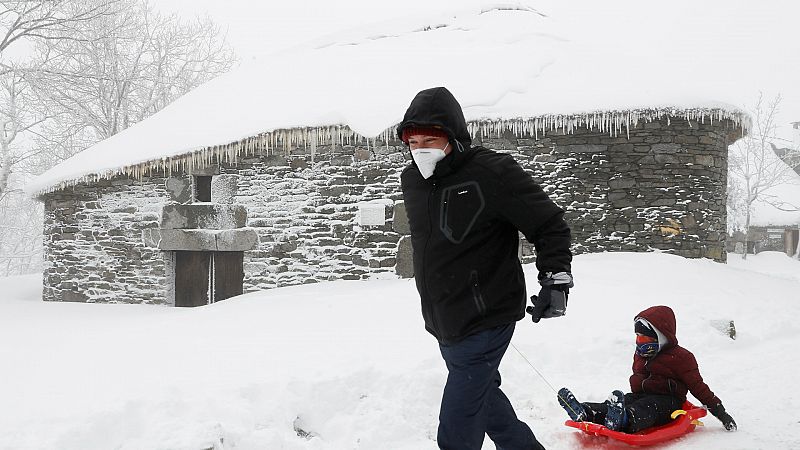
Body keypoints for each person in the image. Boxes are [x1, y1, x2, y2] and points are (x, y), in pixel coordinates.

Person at [398, 86, 573, 450]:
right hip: (444, 319)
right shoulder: (413, 180)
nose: (421, 149)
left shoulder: (492, 172)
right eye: (413, 142)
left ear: (454, 137)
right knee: (484, 399)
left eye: (430, 140)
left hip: (487, 316)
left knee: (458, 425)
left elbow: (548, 223)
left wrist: (555, 281)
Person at [558, 305, 737, 433]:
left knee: (647, 407)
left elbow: (699, 388)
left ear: (662, 337)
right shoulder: (641, 355)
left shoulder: (682, 358)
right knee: (625, 401)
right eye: (637, 337)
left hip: (668, 402)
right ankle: (586, 411)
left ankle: (624, 419)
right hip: (640, 395)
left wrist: (721, 413)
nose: (639, 342)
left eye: (644, 339)